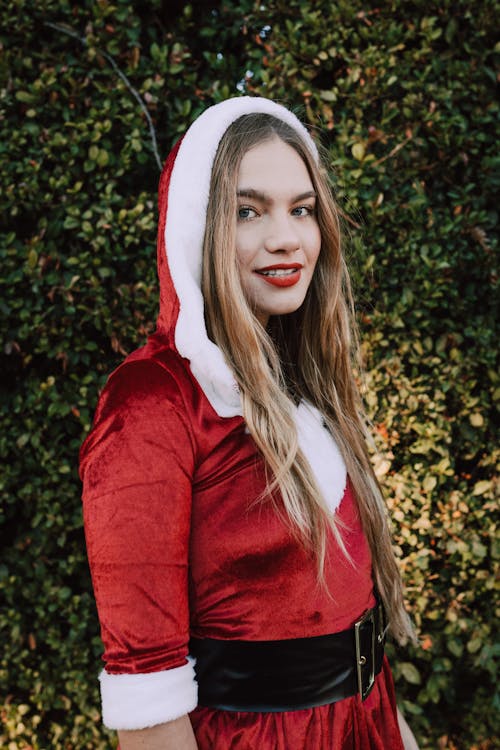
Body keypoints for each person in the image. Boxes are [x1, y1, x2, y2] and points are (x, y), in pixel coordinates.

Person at [80, 96, 420, 749]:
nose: (286, 237)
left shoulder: (303, 384)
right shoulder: (154, 404)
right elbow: (150, 710)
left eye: (302, 209)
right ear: (195, 228)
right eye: (247, 211)